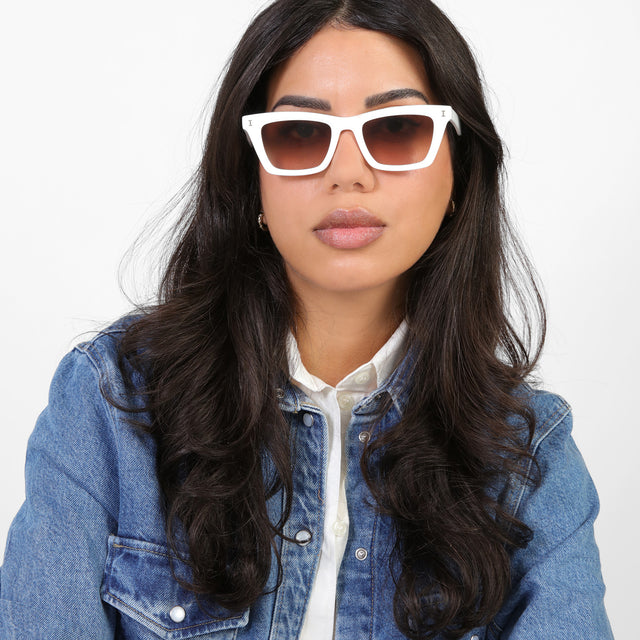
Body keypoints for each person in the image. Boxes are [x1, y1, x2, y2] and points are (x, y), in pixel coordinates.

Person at [0, 0, 614, 638]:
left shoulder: (528, 460)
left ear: (458, 174)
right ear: (253, 178)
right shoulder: (111, 404)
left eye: (397, 129)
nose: (348, 174)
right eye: (299, 136)